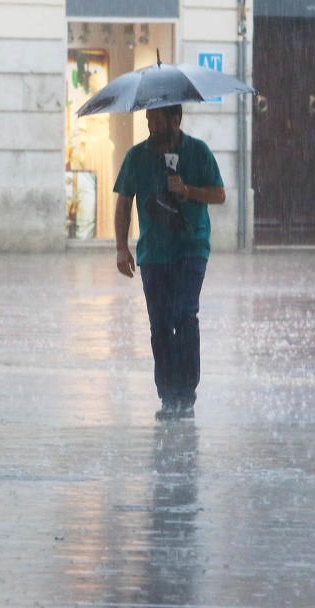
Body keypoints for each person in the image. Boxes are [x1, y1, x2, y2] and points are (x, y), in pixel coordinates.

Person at [113, 104, 225, 421]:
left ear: (175, 120)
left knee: (184, 313)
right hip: (154, 253)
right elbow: (124, 203)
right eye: (148, 119)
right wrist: (121, 247)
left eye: (156, 119)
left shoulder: (198, 152)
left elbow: (219, 194)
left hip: (191, 247)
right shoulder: (137, 156)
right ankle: (167, 394)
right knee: (160, 323)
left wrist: (187, 191)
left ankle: (186, 392)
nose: (150, 125)